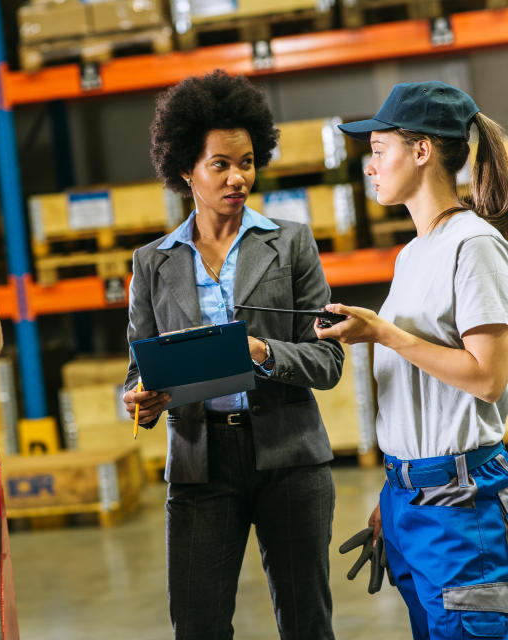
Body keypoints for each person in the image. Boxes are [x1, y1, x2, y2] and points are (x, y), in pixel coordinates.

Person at [122, 70, 344, 640]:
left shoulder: (291, 244)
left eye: (246, 162)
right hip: (200, 463)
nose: (238, 177)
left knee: (307, 623)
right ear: (184, 170)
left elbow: (328, 363)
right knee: (197, 626)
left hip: (290, 457)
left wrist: (263, 352)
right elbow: (139, 369)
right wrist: (139, 400)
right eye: (220, 164)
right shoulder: (152, 263)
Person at [317, 81, 508, 639]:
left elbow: (486, 376)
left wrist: (385, 334)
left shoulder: (473, 245)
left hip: (462, 505)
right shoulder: (412, 254)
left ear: (421, 151)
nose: (370, 165)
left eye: (379, 148)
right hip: (412, 499)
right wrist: (394, 495)